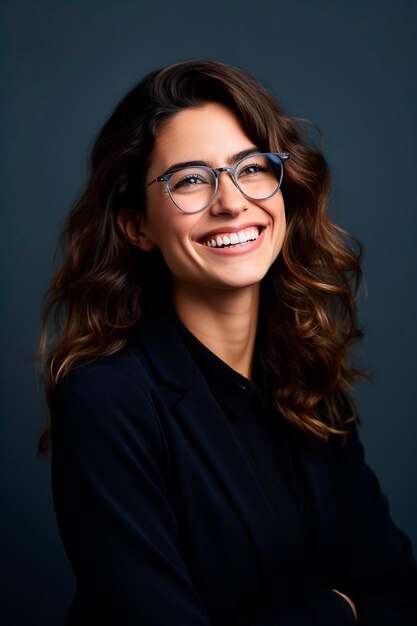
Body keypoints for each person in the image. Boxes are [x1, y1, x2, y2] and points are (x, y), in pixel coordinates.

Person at [39, 59, 417, 625]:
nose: (232, 201)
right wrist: (337, 608)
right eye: (190, 179)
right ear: (136, 226)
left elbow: (400, 593)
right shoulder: (105, 401)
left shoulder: (306, 376)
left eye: (252, 168)